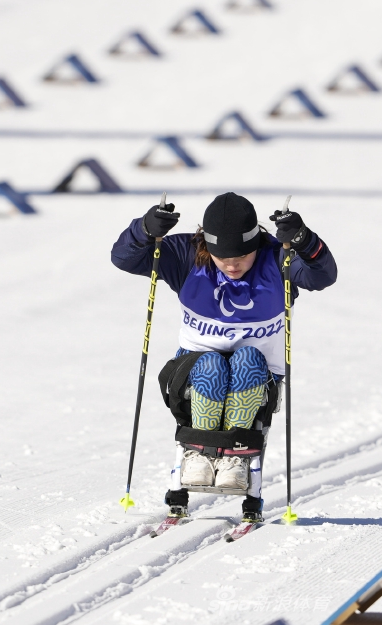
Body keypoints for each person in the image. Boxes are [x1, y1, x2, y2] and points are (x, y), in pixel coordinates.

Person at [111, 192, 337, 520]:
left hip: (259, 374)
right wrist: (146, 229)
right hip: (194, 368)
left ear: (257, 243)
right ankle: (200, 454)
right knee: (212, 363)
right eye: (222, 256)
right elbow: (124, 258)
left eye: (243, 255)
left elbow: (321, 275)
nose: (232, 264)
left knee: (246, 360)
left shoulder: (276, 257)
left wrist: (303, 239)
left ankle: (235, 455)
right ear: (206, 245)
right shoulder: (186, 254)